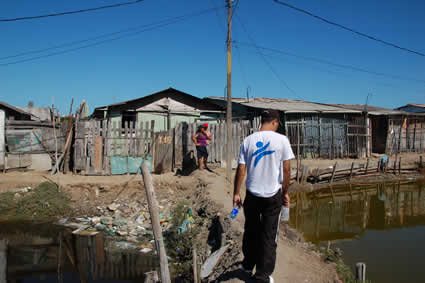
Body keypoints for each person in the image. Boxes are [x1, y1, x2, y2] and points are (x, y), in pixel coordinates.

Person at [233, 109, 294, 283]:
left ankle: (246, 267)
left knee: (251, 231)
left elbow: (241, 169)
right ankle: (262, 276)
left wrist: (237, 193)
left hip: (251, 194)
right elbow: (287, 169)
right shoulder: (282, 140)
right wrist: (286, 192)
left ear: (262, 120)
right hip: (273, 195)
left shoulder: (248, 140)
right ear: (275, 122)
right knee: (269, 235)